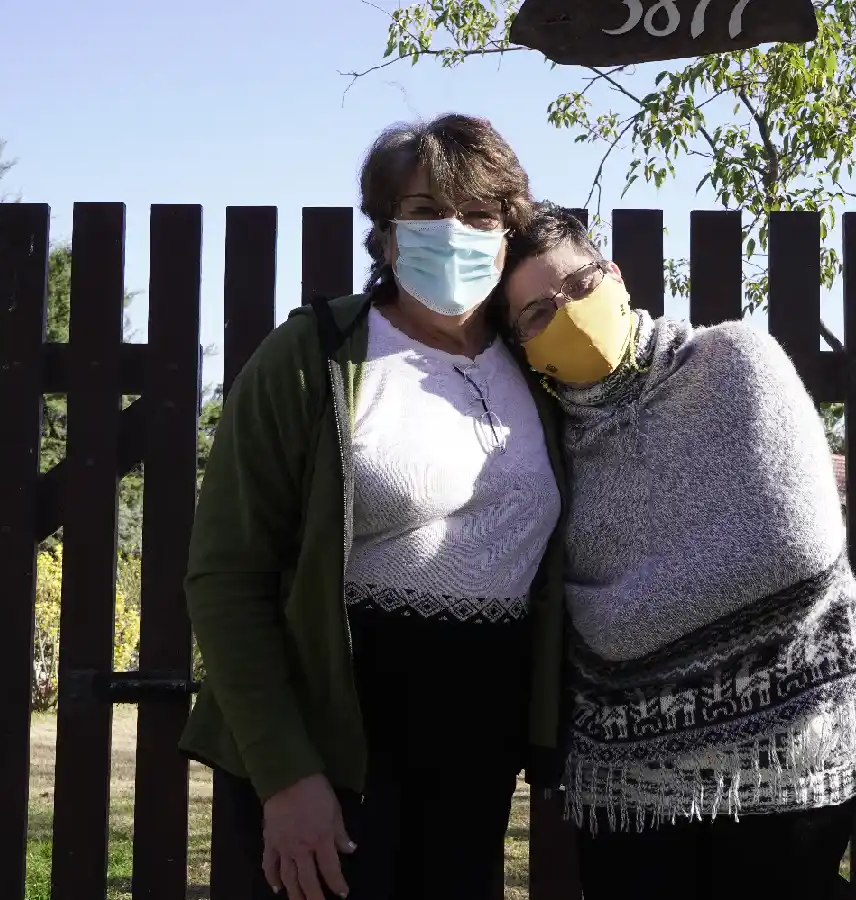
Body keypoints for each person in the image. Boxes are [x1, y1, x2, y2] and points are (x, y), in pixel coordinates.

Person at [180, 115, 569, 900]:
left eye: (480, 216)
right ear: (386, 235)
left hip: (478, 747)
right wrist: (287, 777)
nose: (453, 232)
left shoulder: (538, 365)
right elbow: (226, 576)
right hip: (336, 744)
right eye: (425, 212)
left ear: (508, 231)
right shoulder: (312, 356)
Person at [497, 203, 856, 899]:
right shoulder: (539, 442)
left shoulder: (734, 360)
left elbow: (792, 545)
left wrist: (619, 621)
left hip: (785, 739)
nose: (565, 314)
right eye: (536, 315)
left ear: (615, 277)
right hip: (630, 763)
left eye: (577, 286)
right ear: (523, 348)